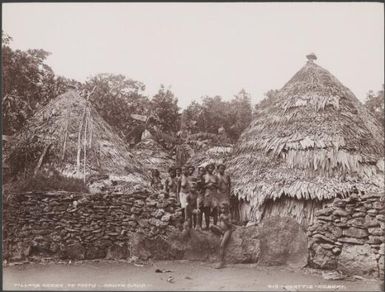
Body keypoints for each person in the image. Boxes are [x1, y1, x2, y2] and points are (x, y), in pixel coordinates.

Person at [210, 203, 233, 269]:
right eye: (221, 208)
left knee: (222, 245)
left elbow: (230, 225)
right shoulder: (221, 215)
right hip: (222, 230)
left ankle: (221, 262)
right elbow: (219, 223)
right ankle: (221, 234)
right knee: (212, 226)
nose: (222, 210)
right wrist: (219, 227)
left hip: (227, 231)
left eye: (224, 208)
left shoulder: (229, 215)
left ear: (226, 208)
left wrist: (225, 220)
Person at [203, 163, 219, 229]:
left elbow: (218, 186)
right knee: (207, 210)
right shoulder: (204, 176)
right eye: (209, 168)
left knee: (215, 209)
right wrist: (207, 185)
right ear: (207, 169)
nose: (211, 169)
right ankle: (207, 226)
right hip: (207, 194)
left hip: (214, 194)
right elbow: (201, 186)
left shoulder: (215, 177)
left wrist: (213, 185)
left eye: (212, 168)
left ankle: (214, 225)